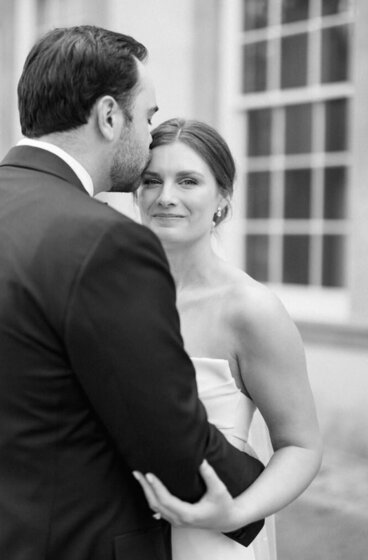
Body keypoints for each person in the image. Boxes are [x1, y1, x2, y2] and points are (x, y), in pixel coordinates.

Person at [0, 27, 266, 560]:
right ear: (109, 116)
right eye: (147, 116)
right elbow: (166, 435)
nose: (150, 135)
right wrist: (257, 498)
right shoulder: (104, 240)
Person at [135, 118, 323, 560]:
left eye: (188, 181)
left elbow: (301, 446)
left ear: (222, 198)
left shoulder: (250, 309)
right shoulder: (112, 295)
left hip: (209, 538)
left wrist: (235, 513)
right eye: (151, 180)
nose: (167, 197)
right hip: (118, 528)